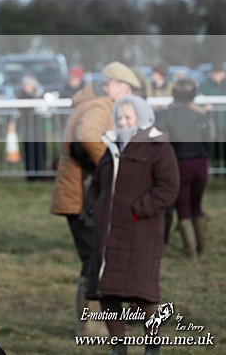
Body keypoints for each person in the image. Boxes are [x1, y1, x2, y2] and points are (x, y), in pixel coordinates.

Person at [50, 61, 142, 334]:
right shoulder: (100, 106)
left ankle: (98, 320)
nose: (129, 94)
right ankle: (93, 324)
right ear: (111, 85)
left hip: (81, 196)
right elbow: (89, 136)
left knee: (95, 259)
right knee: (95, 260)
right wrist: (114, 164)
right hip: (83, 199)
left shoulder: (92, 104)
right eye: (126, 87)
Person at [85, 96, 179, 354]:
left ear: (141, 118)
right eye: (119, 118)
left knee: (143, 292)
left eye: (128, 117)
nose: (123, 122)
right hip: (108, 232)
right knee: (108, 292)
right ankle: (119, 346)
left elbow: (168, 188)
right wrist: (95, 206)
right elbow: (96, 183)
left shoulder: (157, 146)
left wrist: (137, 211)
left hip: (141, 231)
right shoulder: (112, 146)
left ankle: (152, 345)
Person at [155, 77, 210, 258]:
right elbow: (209, 141)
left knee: (183, 206)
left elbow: (158, 138)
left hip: (180, 163)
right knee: (197, 206)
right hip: (201, 162)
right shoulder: (201, 115)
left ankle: (191, 250)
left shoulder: (167, 114)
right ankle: (202, 247)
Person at [15, 74, 47, 181]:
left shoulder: (40, 95)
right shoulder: (21, 95)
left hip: (38, 127)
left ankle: (41, 173)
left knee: (39, 150)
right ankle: (30, 175)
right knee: (29, 150)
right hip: (27, 127)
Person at [200, 62, 226, 166]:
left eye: (218, 73)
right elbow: (199, 97)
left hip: (223, 121)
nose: (216, 76)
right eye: (214, 73)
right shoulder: (205, 84)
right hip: (212, 122)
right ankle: (215, 169)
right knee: (214, 146)